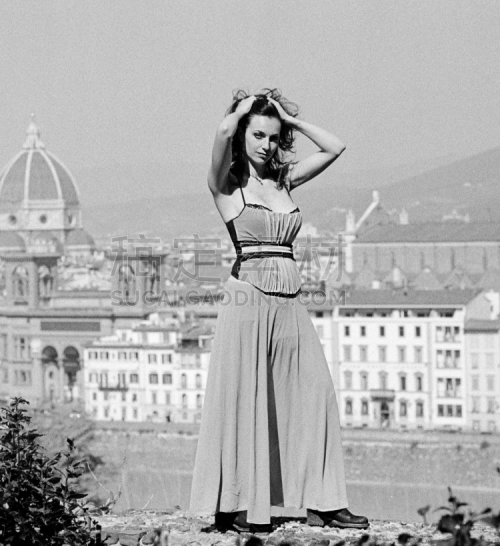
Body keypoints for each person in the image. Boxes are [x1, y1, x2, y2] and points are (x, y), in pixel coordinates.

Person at [189, 89, 369, 532]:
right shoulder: (226, 185)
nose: (266, 144)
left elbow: (335, 147)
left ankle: (324, 501)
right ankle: (238, 505)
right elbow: (222, 132)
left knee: (316, 392)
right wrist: (242, 109)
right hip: (248, 297)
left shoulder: (284, 181)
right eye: (258, 135)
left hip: (289, 298)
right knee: (245, 398)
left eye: (273, 137)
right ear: (243, 135)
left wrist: (291, 120)